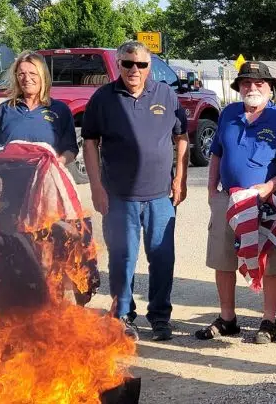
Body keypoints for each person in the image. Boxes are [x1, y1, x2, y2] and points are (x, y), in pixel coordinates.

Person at [81, 41, 189, 342]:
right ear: (118, 64)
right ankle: (122, 317)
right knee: (122, 259)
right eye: (128, 63)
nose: (134, 70)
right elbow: (90, 142)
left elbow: (181, 137)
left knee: (162, 257)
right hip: (119, 196)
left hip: (160, 196)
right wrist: (96, 186)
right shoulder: (103, 98)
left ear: (149, 66)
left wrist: (180, 177)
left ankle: (159, 317)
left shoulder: (166, 95)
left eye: (141, 64)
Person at [200, 61, 276, 345]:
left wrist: (271, 186)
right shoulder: (229, 114)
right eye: (246, 83)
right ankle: (227, 319)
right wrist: (212, 190)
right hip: (228, 198)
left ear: (270, 88)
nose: (252, 88)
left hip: (266, 199)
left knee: (270, 261)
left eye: (259, 83)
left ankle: (269, 321)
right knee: (223, 260)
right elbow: (217, 154)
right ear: (239, 88)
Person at [0, 51, 78, 172]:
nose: (27, 78)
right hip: (7, 180)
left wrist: (58, 163)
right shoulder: (6, 109)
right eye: (21, 74)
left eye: (33, 73)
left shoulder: (60, 110)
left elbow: (71, 149)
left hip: (44, 179)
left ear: (43, 76)